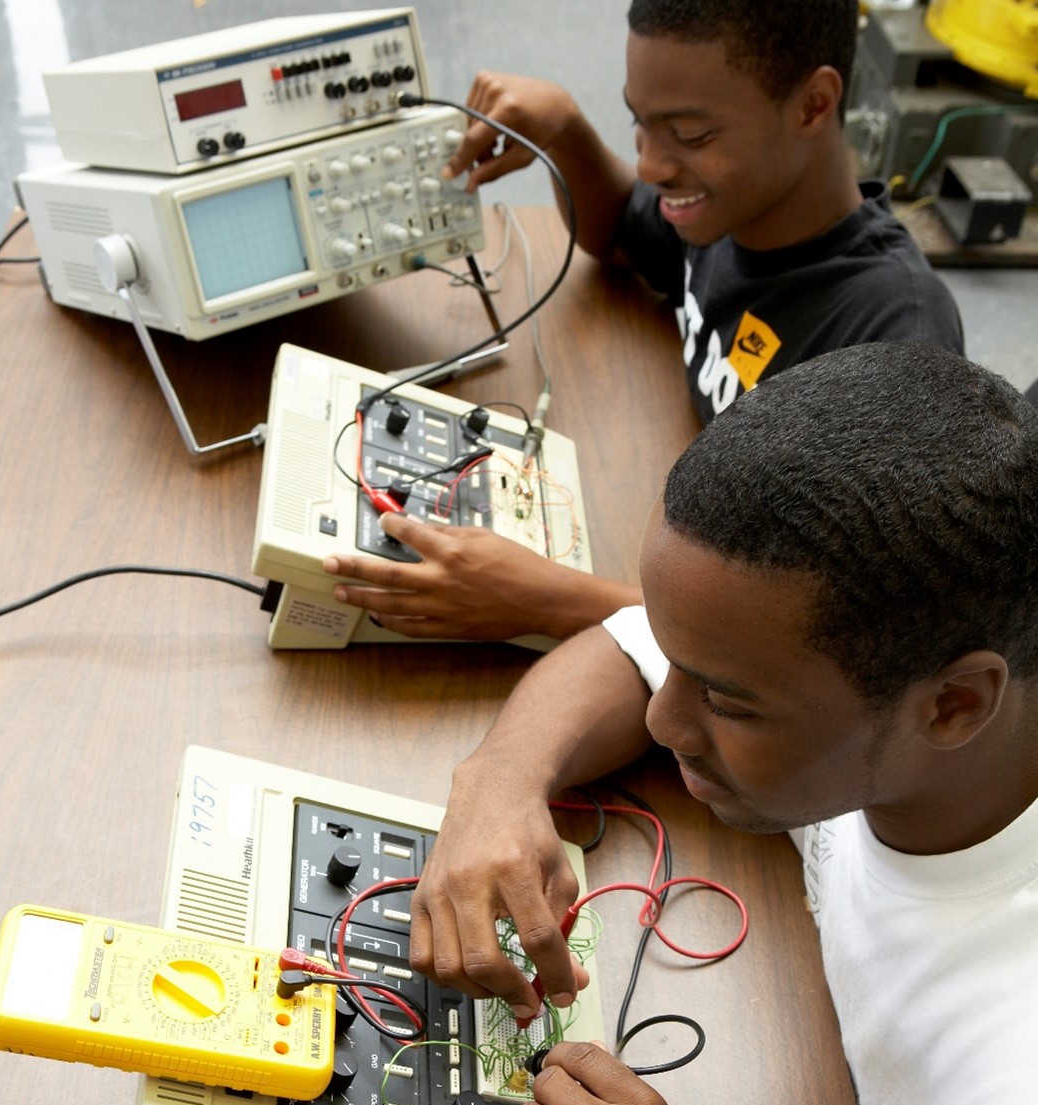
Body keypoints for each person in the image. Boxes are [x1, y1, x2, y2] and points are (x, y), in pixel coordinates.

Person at [406, 343, 1038, 1105]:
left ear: (955, 702)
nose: (661, 716)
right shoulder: (905, 727)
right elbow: (637, 645)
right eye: (683, 672)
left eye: (728, 702)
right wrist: (497, 783)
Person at [320, 0, 963, 646]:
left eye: (690, 135)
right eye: (639, 124)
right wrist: (566, 129)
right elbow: (624, 232)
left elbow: (840, 640)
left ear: (812, 106)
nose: (653, 165)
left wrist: (548, 600)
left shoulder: (893, 338)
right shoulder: (732, 211)